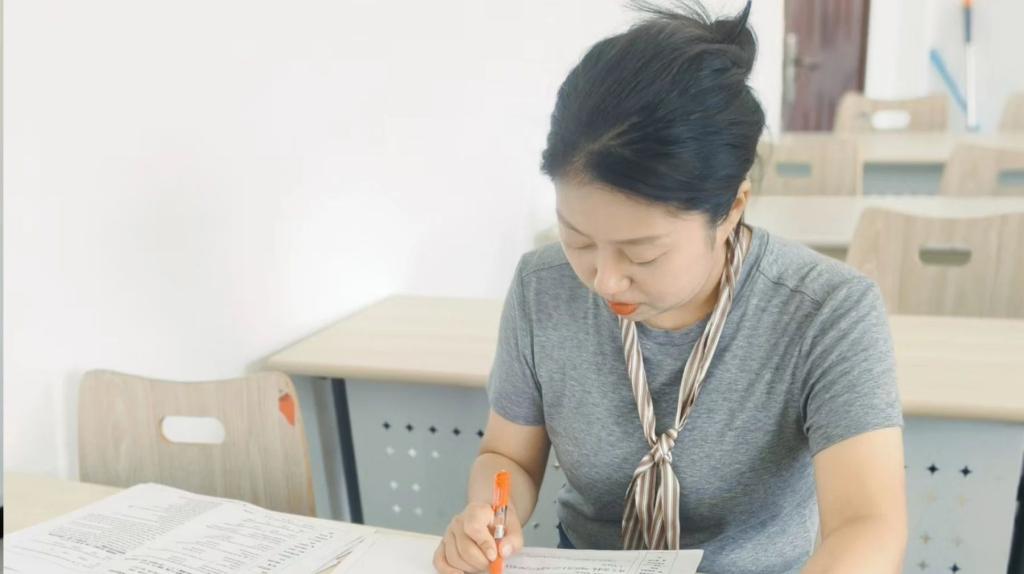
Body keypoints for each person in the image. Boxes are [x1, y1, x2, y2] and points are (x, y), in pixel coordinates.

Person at [433, 2, 907, 573]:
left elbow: (867, 525)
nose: (605, 279)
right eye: (578, 239)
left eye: (643, 253)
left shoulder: (827, 311)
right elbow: (507, 455)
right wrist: (491, 513)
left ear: (731, 208)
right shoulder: (541, 289)